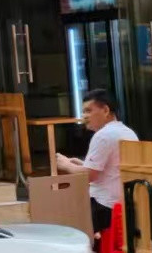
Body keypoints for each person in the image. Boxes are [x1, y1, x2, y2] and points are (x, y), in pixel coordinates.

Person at [55, 92, 139, 235]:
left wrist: (65, 165)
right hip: (124, 202)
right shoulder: (127, 132)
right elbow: (110, 169)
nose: (84, 116)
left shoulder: (103, 135)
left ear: (105, 110)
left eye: (88, 111)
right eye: (83, 112)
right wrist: (81, 164)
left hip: (104, 206)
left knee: (62, 221)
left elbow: (89, 176)